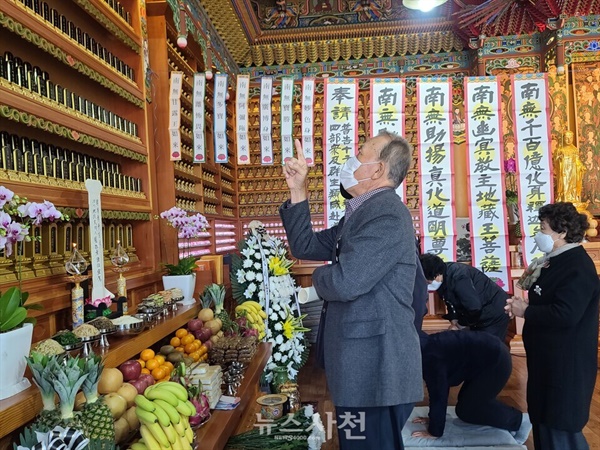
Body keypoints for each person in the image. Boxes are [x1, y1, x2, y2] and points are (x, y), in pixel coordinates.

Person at [280, 132, 423, 449]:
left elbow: (347, 281)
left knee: (367, 443)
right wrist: (298, 190)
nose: (351, 160)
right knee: (358, 440)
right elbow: (307, 245)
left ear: (377, 169)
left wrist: (313, 281)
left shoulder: (385, 213)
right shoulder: (360, 213)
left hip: (376, 364)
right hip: (362, 361)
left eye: (361, 153)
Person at [505, 202, 599, 450]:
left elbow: (566, 314)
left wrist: (526, 311)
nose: (539, 232)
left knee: (560, 428)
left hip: (566, 364)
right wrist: (524, 305)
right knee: (544, 421)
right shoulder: (553, 261)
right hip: (546, 359)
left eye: (543, 228)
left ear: (562, 232)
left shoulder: (577, 266)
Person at [412, 330, 524, 439]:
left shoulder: (430, 359)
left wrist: (434, 431)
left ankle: (519, 421)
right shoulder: (423, 344)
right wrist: (433, 418)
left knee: (468, 408)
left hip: (496, 361)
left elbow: (439, 395)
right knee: (464, 407)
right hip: (487, 355)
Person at [419, 253, 510, 341]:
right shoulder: (442, 277)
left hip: (493, 312)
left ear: (437, 275)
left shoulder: (459, 276)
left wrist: (459, 325)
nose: (428, 285)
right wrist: (454, 319)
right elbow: (449, 301)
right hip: (478, 315)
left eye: (428, 282)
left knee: (489, 348)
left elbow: (474, 307)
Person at [554, 130, 586, 203]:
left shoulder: (574, 149)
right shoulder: (559, 149)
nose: (569, 140)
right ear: (563, 139)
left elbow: (577, 160)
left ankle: (573, 198)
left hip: (573, 170)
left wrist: (581, 166)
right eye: (566, 138)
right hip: (564, 171)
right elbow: (555, 161)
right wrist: (559, 158)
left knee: (573, 185)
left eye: (571, 138)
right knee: (564, 184)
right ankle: (564, 199)